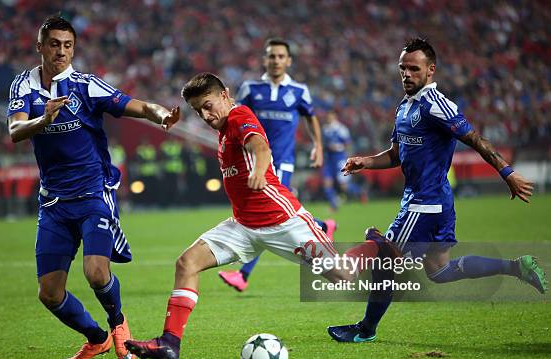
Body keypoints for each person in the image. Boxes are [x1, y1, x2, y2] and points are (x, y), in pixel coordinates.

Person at [124, 73, 366, 359]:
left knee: (345, 278)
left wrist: (260, 171)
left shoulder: (239, 116)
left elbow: (259, 147)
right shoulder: (223, 129)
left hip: (284, 222)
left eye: (209, 105)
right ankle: (169, 343)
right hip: (243, 226)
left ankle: (374, 246)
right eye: (198, 110)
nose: (205, 115)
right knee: (187, 263)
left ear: (226, 95)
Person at [327, 38, 547, 343]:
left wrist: (506, 172)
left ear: (431, 70)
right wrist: (366, 161)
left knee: (385, 261)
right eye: (402, 68)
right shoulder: (404, 107)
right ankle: (516, 266)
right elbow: (395, 154)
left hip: (424, 204)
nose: (406, 74)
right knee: (440, 271)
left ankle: (366, 329)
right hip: (437, 203)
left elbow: (475, 139)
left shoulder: (437, 105)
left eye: (413, 69)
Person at [7, 16, 179, 359]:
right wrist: (44, 120)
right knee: (49, 294)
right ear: (40, 46)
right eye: (54, 44)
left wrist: (160, 116)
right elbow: (15, 130)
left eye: (68, 45)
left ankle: (118, 325)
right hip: (54, 202)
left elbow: (140, 106)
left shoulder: (86, 86)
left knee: (96, 272)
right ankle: (96, 337)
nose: (61, 52)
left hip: (93, 193)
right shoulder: (23, 87)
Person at [218, 38, 335, 292]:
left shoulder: (298, 90)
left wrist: (318, 145)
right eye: (271, 56)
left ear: (288, 60)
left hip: (281, 161)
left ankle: (243, 275)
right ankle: (323, 225)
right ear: (265, 60)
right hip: (254, 162)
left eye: (281, 56)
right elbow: (235, 118)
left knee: (267, 216)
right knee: (268, 215)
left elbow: (311, 118)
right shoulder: (251, 88)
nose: (276, 61)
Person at [321, 111, 357, 211]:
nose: (328, 119)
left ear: (335, 117)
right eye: (327, 117)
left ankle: (361, 192)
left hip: (339, 158)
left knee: (343, 186)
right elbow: (323, 143)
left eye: (330, 117)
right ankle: (334, 205)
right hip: (329, 159)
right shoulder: (325, 129)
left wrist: (338, 147)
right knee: (327, 183)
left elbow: (348, 143)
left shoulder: (341, 129)